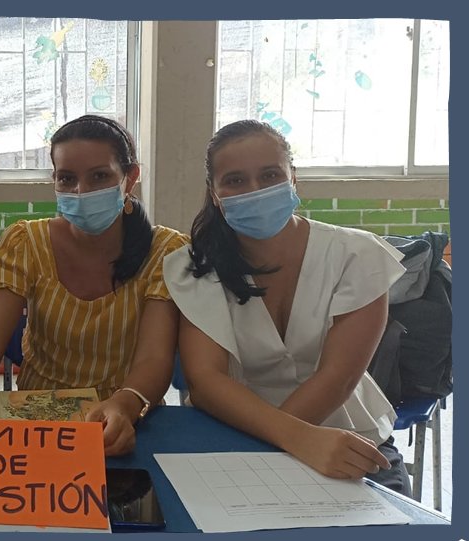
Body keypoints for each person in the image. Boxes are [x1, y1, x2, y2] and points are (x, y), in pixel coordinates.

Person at [162, 119, 411, 495]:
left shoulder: (357, 255)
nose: (255, 190)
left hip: (346, 439)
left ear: (293, 178)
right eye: (235, 180)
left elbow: (337, 378)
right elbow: (206, 381)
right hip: (233, 442)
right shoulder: (193, 267)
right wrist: (290, 442)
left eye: (270, 175)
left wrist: (285, 448)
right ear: (214, 193)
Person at [0, 115, 188, 456]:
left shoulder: (165, 251)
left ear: (130, 177)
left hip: (130, 420)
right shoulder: (26, 243)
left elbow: (154, 357)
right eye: (67, 178)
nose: (81, 191)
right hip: (37, 423)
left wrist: (124, 405)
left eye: (100, 176)